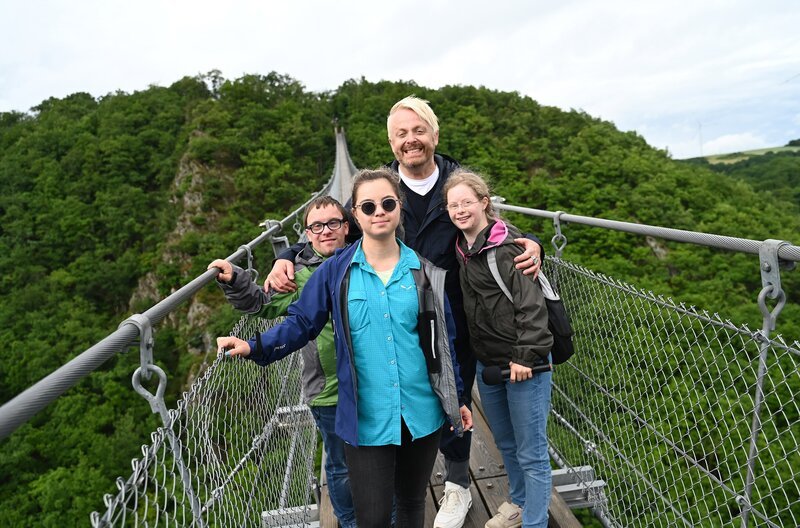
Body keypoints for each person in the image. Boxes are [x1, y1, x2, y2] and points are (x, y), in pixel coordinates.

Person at [266, 96, 543, 528]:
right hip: (398, 314)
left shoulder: (456, 183)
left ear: (434, 135)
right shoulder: (382, 190)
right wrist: (290, 253)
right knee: (417, 398)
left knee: (454, 401)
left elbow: (487, 220)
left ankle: (456, 486)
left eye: (418, 131)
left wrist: (529, 240)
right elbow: (339, 230)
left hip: (458, 314)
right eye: (401, 134)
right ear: (392, 143)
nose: (410, 140)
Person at [217, 168, 473, 528]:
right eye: (368, 206)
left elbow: (444, 346)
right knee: (373, 517)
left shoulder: (427, 272)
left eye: (387, 203)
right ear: (356, 215)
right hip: (366, 416)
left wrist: (457, 398)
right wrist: (254, 346)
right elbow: (301, 323)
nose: (378, 212)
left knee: (413, 504)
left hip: (421, 411)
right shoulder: (334, 272)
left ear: (399, 207)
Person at [207, 196, 357, 528]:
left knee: (378, 455)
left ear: (347, 226)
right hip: (328, 389)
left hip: (372, 382)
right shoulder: (298, 275)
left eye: (333, 223)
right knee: (339, 463)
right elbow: (261, 304)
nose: (326, 231)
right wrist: (234, 279)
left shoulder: (370, 257)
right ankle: (350, 521)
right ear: (307, 234)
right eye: (317, 226)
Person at [444, 169, 553, 528]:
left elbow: (532, 306)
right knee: (506, 443)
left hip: (525, 363)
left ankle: (536, 522)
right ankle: (519, 505)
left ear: (484, 203)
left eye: (466, 202)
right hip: (489, 365)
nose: (460, 210)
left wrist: (525, 357)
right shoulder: (462, 248)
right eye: (452, 205)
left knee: (532, 452)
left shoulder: (508, 248)